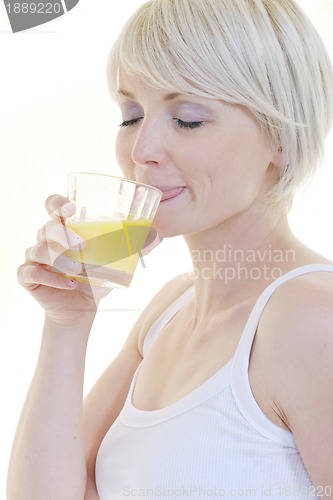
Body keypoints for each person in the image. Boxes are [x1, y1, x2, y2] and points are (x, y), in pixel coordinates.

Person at [6, 0, 333, 498]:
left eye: (187, 119)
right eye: (131, 114)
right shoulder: (168, 312)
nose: (141, 152)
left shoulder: (312, 318)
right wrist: (66, 325)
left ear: (283, 138)